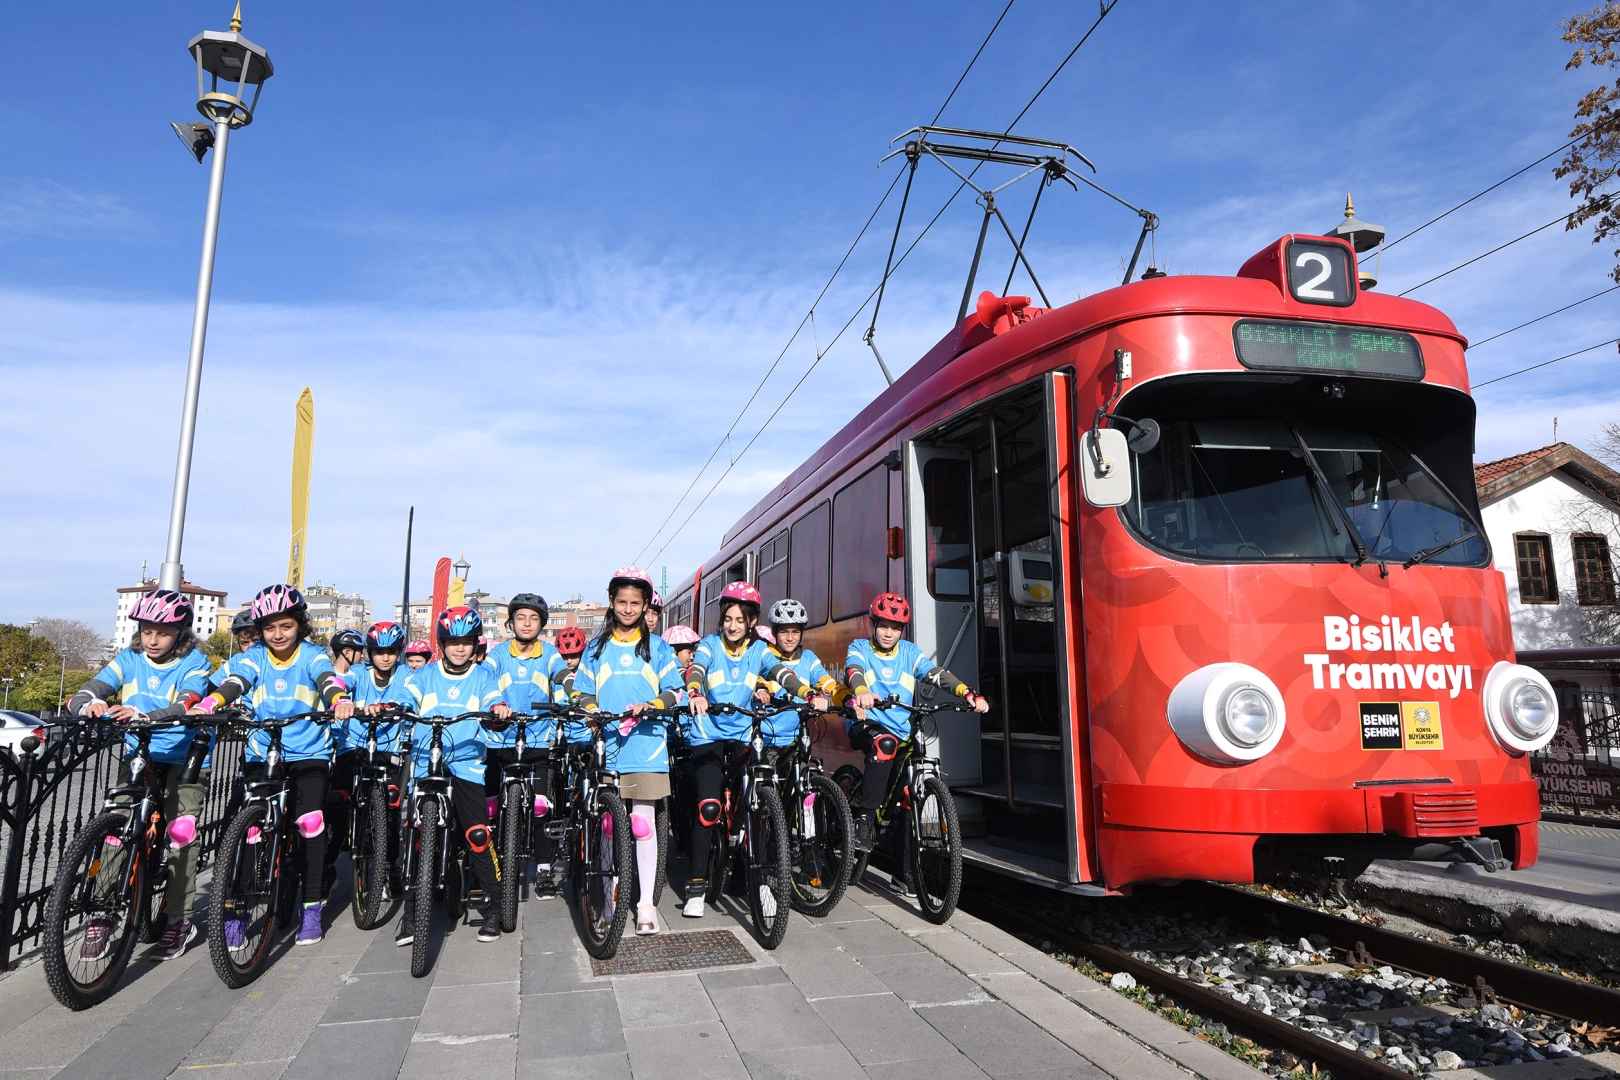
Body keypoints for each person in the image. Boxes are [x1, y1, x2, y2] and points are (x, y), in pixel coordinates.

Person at [196, 585, 354, 945]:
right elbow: (237, 681)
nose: (278, 635)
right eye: (269, 628)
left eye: (286, 626)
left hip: (308, 751)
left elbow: (327, 680)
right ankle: (237, 908)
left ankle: (310, 908)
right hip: (262, 751)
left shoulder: (313, 655)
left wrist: (339, 699)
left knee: (310, 824)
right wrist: (212, 702)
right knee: (250, 829)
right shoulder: (255, 656)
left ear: (299, 624)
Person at [67, 590, 214, 962]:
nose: (152, 639)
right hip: (141, 753)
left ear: (181, 632)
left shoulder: (195, 661)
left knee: (181, 832)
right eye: (147, 631)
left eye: (162, 633)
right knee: (116, 828)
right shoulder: (129, 658)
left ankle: (179, 917)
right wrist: (90, 703)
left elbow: (188, 700)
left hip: (185, 754)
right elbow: (89, 690)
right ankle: (102, 912)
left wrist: (149, 715)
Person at [683, 582, 822, 919]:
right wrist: (695, 692)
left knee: (757, 808)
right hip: (708, 734)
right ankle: (697, 887)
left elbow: (782, 674)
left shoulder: (759, 650)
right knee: (709, 808)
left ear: (751, 622)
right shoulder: (710, 645)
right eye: (728, 618)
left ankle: (757, 881)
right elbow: (696, 670)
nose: (733, 626)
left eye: (740, 620)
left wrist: (807, 693)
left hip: (744, 734)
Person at [843, 592, 988, 895]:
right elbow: (854, 671)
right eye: (884, 626)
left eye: (895, 628)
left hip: (902, 729)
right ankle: (864, 822)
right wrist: (861, 691)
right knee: (884, 744)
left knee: (909, 797)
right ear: (873, 624)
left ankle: (902, 873)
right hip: (866, 724)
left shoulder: (909, 652)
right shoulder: (860, 647)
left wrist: (967, 693)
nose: (889, 633)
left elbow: (935, 675)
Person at [572, 567, 683, 936]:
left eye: (636, 603)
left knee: (642, 824)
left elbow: (676, 690)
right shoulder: (596, 648)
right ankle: (608, 902)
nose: (629, 608)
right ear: (612, 601)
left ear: (645, 604)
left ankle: (646, 905)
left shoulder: (658, 647)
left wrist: (654, 704)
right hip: (607, 745)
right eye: (622, 601)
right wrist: (591, 711)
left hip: (647, 746)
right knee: (607, 825)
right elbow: (580, 692)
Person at [394, 606, 511, 944]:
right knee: (414, 837)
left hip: (467, 762)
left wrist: (498, 709)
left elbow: (493, 699)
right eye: (453, 642)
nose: (460, 649)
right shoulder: (425, 675)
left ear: (475, 645)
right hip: (426, 761)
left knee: (478, 834)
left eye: (467, 642)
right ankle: (411, 914)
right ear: (441, 644)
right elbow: (406, 698)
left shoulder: (482, 677)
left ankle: (494, 906)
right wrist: (396, 707)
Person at [483, 593, 568, 899]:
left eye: (534, 619)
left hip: (537, 739)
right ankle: (487, 866)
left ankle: (544, 869)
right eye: (521, 618)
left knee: (541, 806)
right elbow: (484, 678)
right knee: (490, 808)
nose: (527, 624)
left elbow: (562, 676)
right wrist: (495, 703)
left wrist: (570, 696)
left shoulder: (549, 653)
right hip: (499, 740)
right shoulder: (498, 653)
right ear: (511, 623)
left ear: (542, 624)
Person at [324, 621, 411, 897]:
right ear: (370, 653)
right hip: (353, 745)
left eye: (391, 652)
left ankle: (391, 864)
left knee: (392, 802)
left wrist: (392, 706)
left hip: (388, 748)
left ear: (399, 652)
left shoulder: (405, 674)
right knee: (337, 799)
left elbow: (410, 695)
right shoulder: (359, 672)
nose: (385, 657)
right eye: (379, 652)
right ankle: (327, 865)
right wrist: (340, 697)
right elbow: (341, 682)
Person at [757, 599, 846, 761]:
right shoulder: (765, 656)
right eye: (784, 632)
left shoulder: (808, 658)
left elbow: (826, 682)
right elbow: (761, 681)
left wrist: (846, 698)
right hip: (767, 739)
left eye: (795, 632)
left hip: (797, 738)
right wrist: (762, 691)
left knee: (803, 774)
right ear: (774, 633)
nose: (790, 638)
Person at [554, 626, 587, 700]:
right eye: (565, 657)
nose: (569, 661)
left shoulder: (586, 674)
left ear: (581, 654)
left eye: (574, 656)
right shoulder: (554, 673)